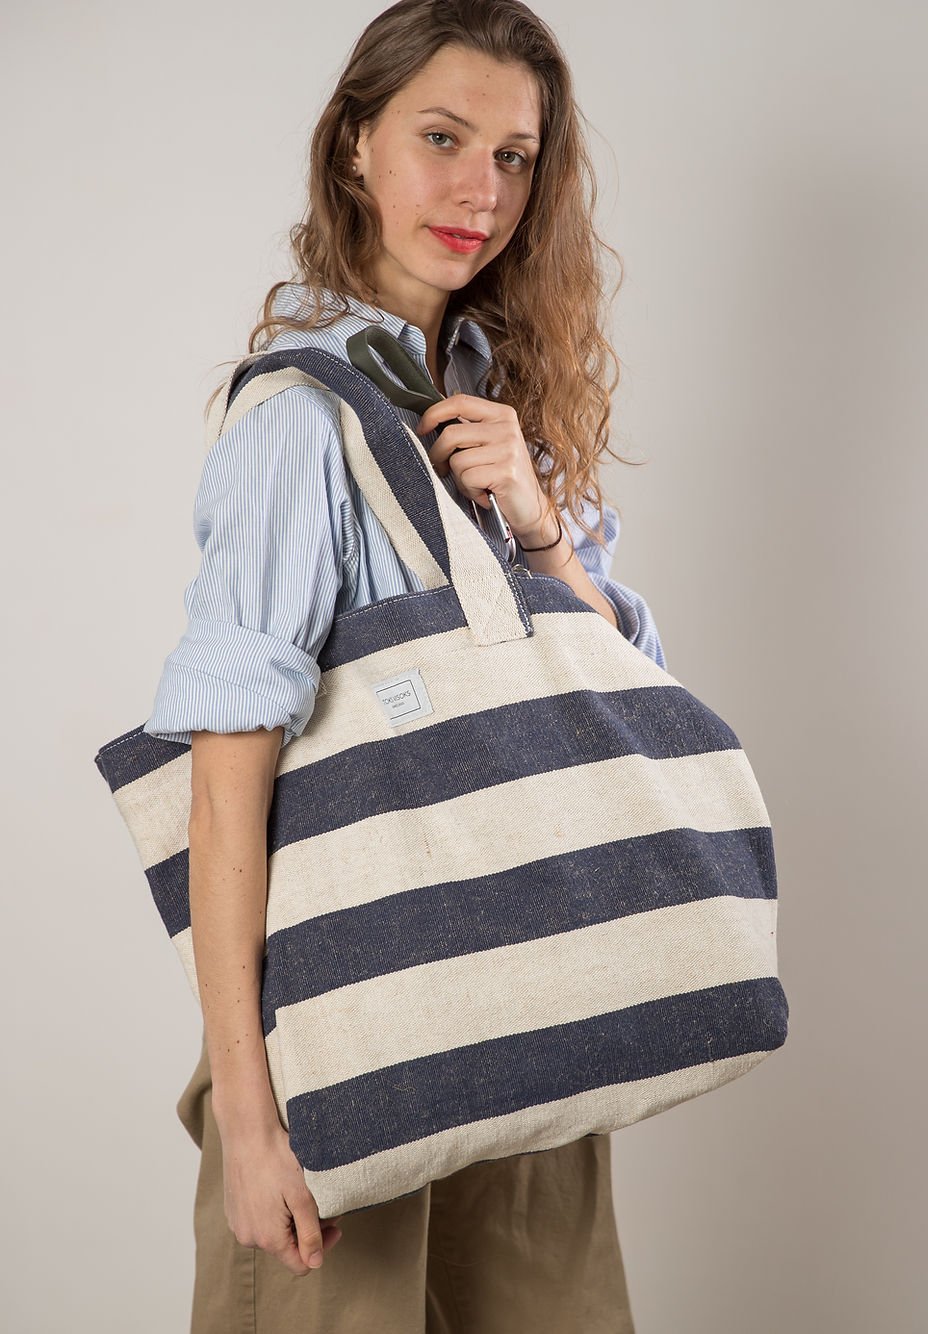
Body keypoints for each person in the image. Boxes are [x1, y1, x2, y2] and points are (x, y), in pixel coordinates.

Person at [144, 1, 667, 1329]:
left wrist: (545, 530)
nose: (480, 189)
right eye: (443, 137)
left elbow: (628, 718)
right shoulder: (296, 428)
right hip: (343, 1041)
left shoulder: (507, 409)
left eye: (514, 155)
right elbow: (224, 787)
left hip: (530, 1019)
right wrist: (251, 1120)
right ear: (356, 146)